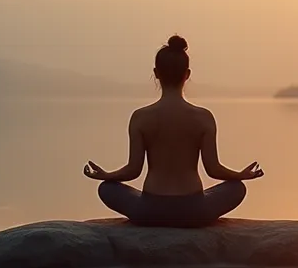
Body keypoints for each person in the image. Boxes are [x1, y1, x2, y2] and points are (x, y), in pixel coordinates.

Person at [83, 35, 264, 228]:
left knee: (106, 189)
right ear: (187, 74)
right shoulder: (203, 117)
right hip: (194, 211)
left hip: (150, 211)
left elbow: (133, 170)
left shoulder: (140, 117)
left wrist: (106, 176)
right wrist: (240, 175)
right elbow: (213, 169)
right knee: (237, 188)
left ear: (156, 73)